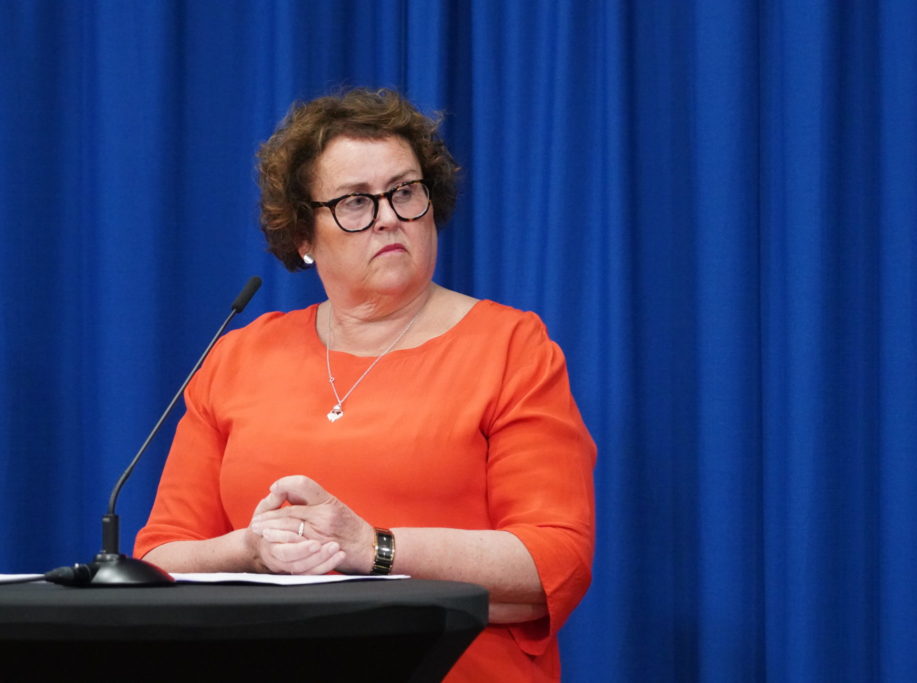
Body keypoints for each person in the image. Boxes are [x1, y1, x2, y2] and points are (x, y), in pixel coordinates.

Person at [134, 88, 596, 681]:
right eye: (355, 201)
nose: (388, 216)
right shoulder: (238, 357)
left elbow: (554, 563)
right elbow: (158, 559)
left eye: (404, 192)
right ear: (303, 236)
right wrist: (249, 550)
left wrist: (374, 548)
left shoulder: (510, 347)